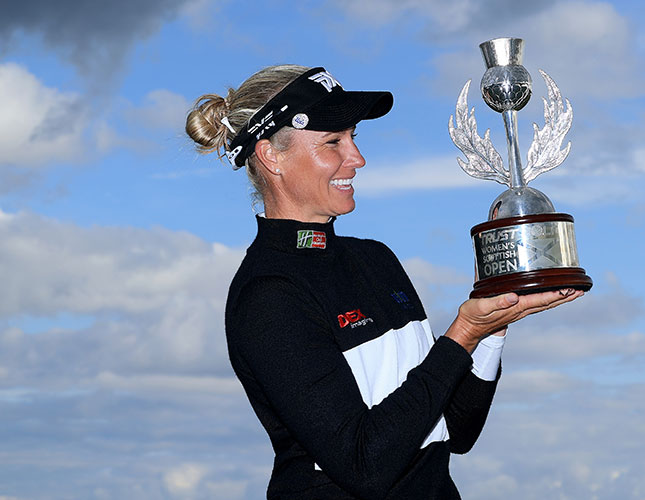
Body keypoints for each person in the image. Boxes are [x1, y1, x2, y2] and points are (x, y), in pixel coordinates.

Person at [186, 65, 582, 499]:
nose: (356, 158)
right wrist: (461, 334)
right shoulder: (268, 293)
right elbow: (365, 464)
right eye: (333, 141)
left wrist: (489, 327)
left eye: (354, 137)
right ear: (270, 156)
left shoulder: (375, 258)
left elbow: (455, 430)